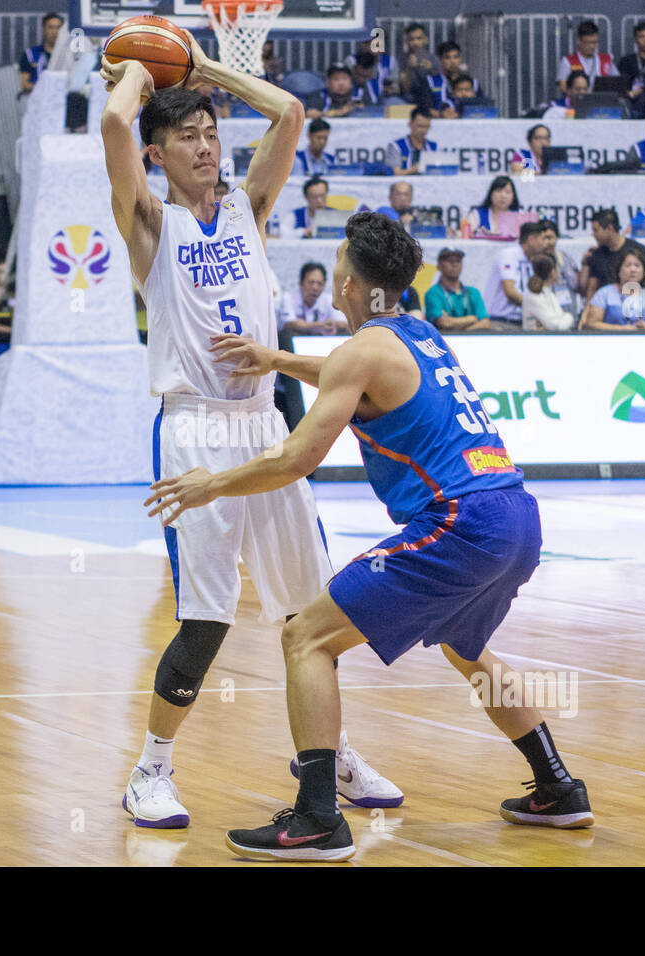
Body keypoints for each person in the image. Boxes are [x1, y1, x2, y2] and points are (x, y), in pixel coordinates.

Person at [145, 212, 592, 861]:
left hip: (459, 522)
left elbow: (295, 458)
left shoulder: (362, 352)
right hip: (516, 516)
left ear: (350, 282)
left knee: (306, 638)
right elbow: (345, 374)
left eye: (338, 266)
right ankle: (557, 786)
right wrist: (273, 358)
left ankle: (317, 817)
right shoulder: (419, 333)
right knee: (468, 650)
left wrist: (209, 484)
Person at [100, 40, 400, 828]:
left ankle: (325, 763)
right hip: (195, 427)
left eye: (211, 131)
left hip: (266, 423)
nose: (206, 145)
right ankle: (149, 772)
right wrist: (136, 72)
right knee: (207, 616)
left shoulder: (245, 208)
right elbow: (111, 121)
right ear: (158, 154)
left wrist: (204, 70)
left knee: (315, 611)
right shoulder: (149, 222)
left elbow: (292, 113)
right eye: (189, 136)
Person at [580, 248, 645, 332]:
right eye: (628, 265)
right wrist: (621, 329)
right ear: (619, 271)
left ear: (643, 272)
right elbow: (590, 324)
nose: (633, 270)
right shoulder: (604, 293)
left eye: (637, 266)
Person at [580, 208, 645, 303]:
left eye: (596, 230)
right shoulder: (597, 254)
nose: (593, 235)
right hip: (605, 311)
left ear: (609, 229)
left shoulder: (640, 251)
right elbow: (591, 291)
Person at [482, 221, 544, 330]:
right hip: (500, 322)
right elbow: (510, 292)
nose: (544, 244)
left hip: (521, 322)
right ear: (531, 239)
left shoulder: (532, 260)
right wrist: (539, 309)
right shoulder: (509, 255)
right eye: (542, 239)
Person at [425, 247, 487, 332]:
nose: (454, 264)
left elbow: (485, 323)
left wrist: (457, 327)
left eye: (458, 261)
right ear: (439, 266)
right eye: (449, 261)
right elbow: (443, 323)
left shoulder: (473, 292)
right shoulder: (432, 293)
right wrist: (472, 319)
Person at [278, 262, 341, 336]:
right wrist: (319, 326)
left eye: (319, 283)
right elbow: (289, 324)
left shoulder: (329, 300)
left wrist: (334, 324)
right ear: (301, 283)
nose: (315, 288)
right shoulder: (288, 298)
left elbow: (344, 324)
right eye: (311, 282)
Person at [557, 21, 617, 93]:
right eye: (588, 43)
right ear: (578, 41)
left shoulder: (606, 59)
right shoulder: (567, 61)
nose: (592, 46)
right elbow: (563, 88)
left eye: (594, 42)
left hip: (603, 101)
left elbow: (618, 83)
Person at [522, 254, 576, 331]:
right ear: (553, 272)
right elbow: (556, 326)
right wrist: (569, 316)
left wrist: (563, 319)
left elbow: (558, 324)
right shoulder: (534, 297)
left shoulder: (550, 294)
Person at [19, 12, 63, 93]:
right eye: (51, 27)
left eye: (58, 27)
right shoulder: (30, 55)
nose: (55, 31)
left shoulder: (68, 56)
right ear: (44, 30)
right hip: (37, 101)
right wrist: (46, 89)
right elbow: (24, 84)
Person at [386, 107, 438, 175]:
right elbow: (393, 172)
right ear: (410, 124)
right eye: (420, 126)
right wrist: (412, 170)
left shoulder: (434, 147)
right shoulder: (396, 146)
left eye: (426, 127)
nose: (423, 130)